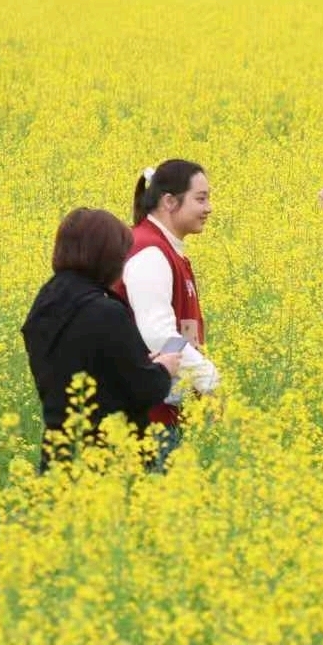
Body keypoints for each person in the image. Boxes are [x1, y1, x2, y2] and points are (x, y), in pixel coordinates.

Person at [22, 207, 181, 468]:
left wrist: (138, 362)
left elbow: (91, 368)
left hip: (59, 455)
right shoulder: (104, 311)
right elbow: (144, 388)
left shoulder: (45, 303)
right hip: (108, 461)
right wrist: (163, 368)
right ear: (106, 257)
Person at [116, 160, 220, 463]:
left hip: (165, 409)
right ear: (169, 202)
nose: (209, 208)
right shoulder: (149, 251)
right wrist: (210, 380)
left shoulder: (165, 248)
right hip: (148, 419)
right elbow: (158, 334)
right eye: (200, 199)